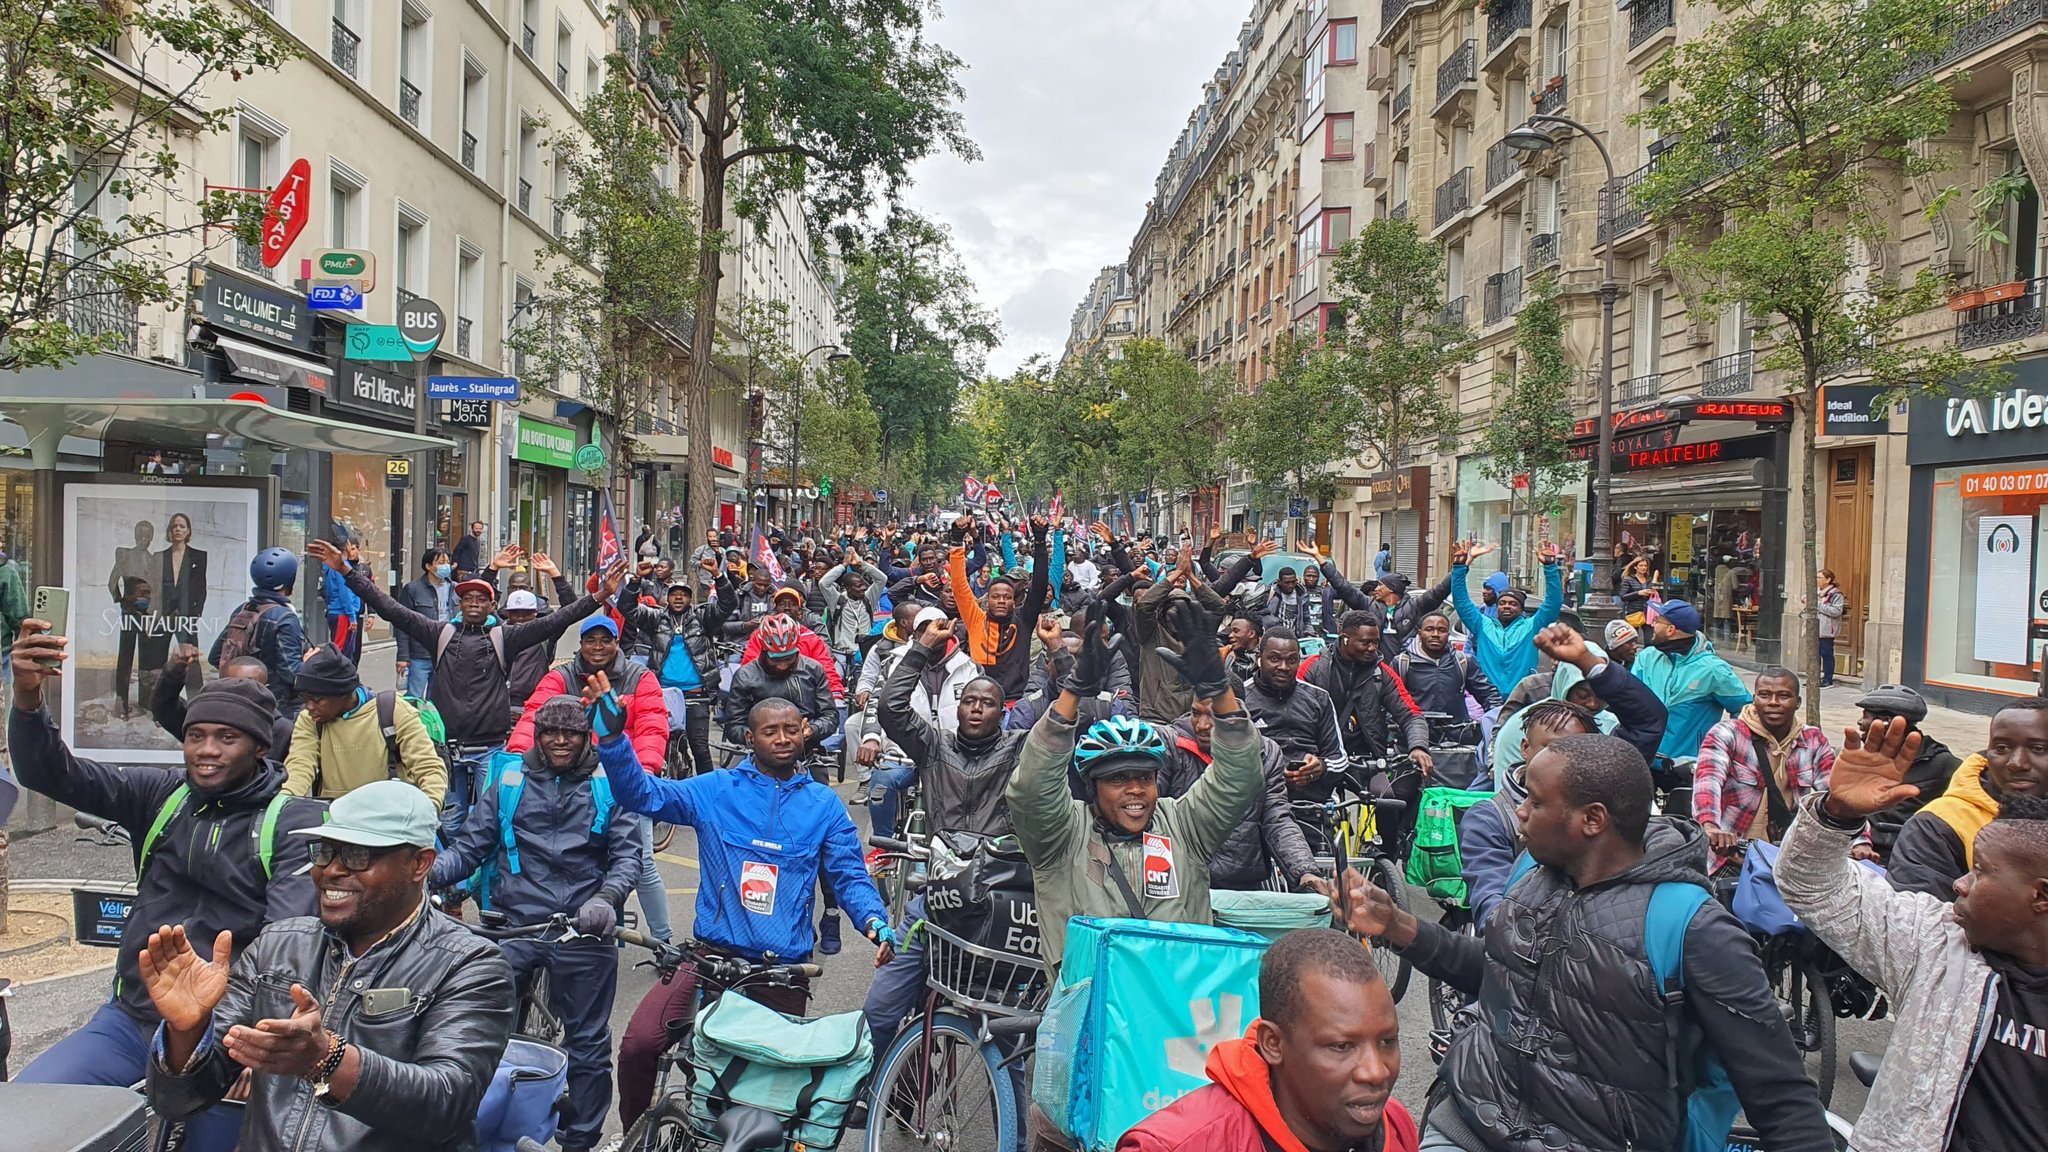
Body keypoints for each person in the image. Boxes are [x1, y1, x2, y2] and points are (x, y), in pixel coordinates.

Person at [1340, 733, 1834, 1150]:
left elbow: (1779, 1094)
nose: (1520, 814)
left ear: (1592, 820)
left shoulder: (1695, 928)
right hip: (1467, 1122)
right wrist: (1399, 926)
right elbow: (1498, 972)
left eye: (1535, 801)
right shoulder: (1531, 871)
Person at [10, 620, 322, 1145]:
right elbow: (51, 772)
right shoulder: (159, 795)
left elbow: (287, 941)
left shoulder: (289, 822)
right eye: (197, 735)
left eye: (227, 738)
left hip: (225, 1035)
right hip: (130, 1020)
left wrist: (255, 1045)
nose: (207, 750)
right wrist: (25, 698)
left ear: (261, 748)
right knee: (26, 1115)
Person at [142, 781, 516, 1152]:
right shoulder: (278, 945)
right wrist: (187, 1032)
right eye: (325, 852)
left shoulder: (470, 965)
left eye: (357, 855)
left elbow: (446, 1103)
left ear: (419, 864)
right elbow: (179, 1103)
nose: (330, 871)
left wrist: (328, 1060)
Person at [605, 691, 894, 1132]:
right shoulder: (716, 789)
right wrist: (612, 740)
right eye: (770, 731)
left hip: (782, 973)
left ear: (805, 733)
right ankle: (634, 1138)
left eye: (791, 729)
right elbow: (642, 793)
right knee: (639, 1044)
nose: (782, 738)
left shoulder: (825, 805)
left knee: (762, 1106)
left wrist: (874, 921)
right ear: (748, 738)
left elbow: (850, 877)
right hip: (707, 959)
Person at [1775, 717, 2048, 1152]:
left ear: (2041, 896)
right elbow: (1814, 887)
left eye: (1979, 872)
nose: (1960, 883)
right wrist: (1836, 815)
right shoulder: (1938, 944)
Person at [1006, 601, 1266, 976]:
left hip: (1180, 1017)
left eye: (1145, 778)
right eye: (1117, 779)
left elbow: (1240, 777)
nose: (1135, 791)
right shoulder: (1061, 836)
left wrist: (1220, 694)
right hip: (1093, 1020)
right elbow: (1032, 788)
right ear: (1092, 787)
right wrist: (1072, 694)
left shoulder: (1183, 826)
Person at [431, 697, 639, 1152]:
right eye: (550, 732)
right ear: (537, 735)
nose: (560, 741)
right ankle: (475, 1122)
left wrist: (606, 899)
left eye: (571, 733)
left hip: (583, 927)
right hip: (516, 923)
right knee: (479, 1024)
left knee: (587, 1042)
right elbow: (470, 846)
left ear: (586, 736)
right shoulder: (509, 778)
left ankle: (578, 1141)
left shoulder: (609, 781)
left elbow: (627, 856)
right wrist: (424, 872)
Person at [311, 538, 614, 843]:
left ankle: (483, 884)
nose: (473, 604)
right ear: (458, 604)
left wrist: (600, 596)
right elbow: (390, 609)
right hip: (446, 747)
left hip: (490, 747)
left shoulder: (505, 637)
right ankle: (448, 884)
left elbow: (560, 619)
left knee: (490, 820)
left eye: (481, 599)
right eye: (467, 599)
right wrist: (348, 572)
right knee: (447, 820)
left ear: (492, 606)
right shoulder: (438, 633)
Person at [862, 619, 1030, 1054]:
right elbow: (892, 711)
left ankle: (1007, 1120)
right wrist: (920, 648)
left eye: (987, 703)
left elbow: (1063, 727)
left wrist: (1063, 657)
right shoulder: (934, 745)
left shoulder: (1018, 749)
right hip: (934, 901)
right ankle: (895, 1089)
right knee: (880, 1011)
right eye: (968, 701)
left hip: (996, 908)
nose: (976, 708)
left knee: (1006, 1039)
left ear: (1001, 712)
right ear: (958, 709)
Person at [1119, 928, 1418, 1152]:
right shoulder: (1179, 1145)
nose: (1376, 1071)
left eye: (1387, 1042)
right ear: (1273, 1044)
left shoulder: (1395, 1124)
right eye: (1341, 1046)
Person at [1459, 625, 1668, 929]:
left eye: (1577, 750)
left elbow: (1649, 720)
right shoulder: (1494, 820)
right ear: (1525, 750)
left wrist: (1586, 660)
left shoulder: (1604, 781)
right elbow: (1494, 916)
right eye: (1551, 750)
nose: (1563, 761)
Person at [507, 615, 672, 943]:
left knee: (641, 862)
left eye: (605, 640)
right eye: (590, 640)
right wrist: (514, 758)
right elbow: (534, 715)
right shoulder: (561, 676)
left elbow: (652, 727)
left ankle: (663, 941)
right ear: (580, 644)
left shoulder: (641, 678)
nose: (598, 647)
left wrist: (642, 773)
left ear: (616, 643)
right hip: (570, 779)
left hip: (621, 781)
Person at [1889, 696, 2048, 901]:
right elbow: (1920, 919)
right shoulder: (1939, 824)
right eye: (2001, 748)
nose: (2017, 763)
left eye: (2038, 749)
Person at [1164, 696, 1325, 893]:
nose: (1202, 725)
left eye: (1214, 716)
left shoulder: (1267, 752)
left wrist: (1305, 872)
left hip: (1242, 887)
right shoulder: (1169, 745)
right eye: (1196, 714)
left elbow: (1277, 819)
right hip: (1182, 884)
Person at [1693, 666, 1841, 869]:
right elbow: (1708, 781)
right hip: (1731, 857)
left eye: (1783, 696)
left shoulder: (1813, 740)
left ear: (1797, 703)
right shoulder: (1728, 734)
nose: (1773, 703)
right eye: (1764, 695)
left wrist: (1860, 841)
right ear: (1754, 699)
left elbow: (1834, 795)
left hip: (1787, 860)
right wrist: (1710, 826)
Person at [1303, 615, 1432, 830]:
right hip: (1320, 759)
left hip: (1365, 762)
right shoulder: (1313, 669)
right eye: (1365, 642)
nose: (1372, 648)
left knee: (1387, 803)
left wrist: (1418, 747)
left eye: (1376, 642)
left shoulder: (1382, 674)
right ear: (1345, 639)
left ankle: (1383, 861)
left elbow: (1411, 715)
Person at [284, 646, 447, 804]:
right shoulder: (310, 720)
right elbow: (299, 765)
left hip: (389, 817)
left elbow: (427, 766)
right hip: (333, 819)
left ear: (342, 694)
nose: (309, 707)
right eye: (304, 700)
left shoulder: (393, 711)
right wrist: (283, 801)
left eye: (317, 700)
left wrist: (430, 807)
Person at [626, 565, 730, 778]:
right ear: (667, 598)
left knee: (700, 750)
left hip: (696, 694)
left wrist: (719, 577)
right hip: (662, 693)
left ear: (690, 600)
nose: (679, 598)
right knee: (658, 748)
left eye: (684, 595)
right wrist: (636, 580)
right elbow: (628, 609)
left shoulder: (703, 617)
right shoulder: (656, 618)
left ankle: (707, 794)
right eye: (674, 595)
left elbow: (727, 605)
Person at [1630, 599, 1753, 762]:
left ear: (1671, 630)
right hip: (1642, 760)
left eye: (1657, 621)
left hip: (1688, 767)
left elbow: (1745, 711)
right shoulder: (1647, 658)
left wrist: (1725, 747)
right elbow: (1629, 702)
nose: (1652, 625)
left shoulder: (1713, 669)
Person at [1852, 683, 1963, 859]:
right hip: (1863, 852)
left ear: (1887, 723)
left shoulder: (1943, 764)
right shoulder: (1863, 759)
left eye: (1866, 716)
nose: (1860, 722)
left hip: (1909, 857)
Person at [1242, 628, 1352, 799]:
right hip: (1257, 803)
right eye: (1274, 659)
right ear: (1259, 659)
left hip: (1311, 804)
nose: (1284, 667)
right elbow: (1227, 762)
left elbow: (1338, 758)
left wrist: (1320, 767)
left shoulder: (1318, 698)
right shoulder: (1241, 699)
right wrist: (1273, 772)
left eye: (1292, 660)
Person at [950, 519, 1052, 701]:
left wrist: (1040, 541)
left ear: (1014, 601)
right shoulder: (975, 620)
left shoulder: (1024, 620)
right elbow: (959, 586)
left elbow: (1040, 586)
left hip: (1016, 701)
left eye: (1007, 597)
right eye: (996, 597)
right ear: (987, 600)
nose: (1001, 601)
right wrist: (957, 543)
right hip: (980, 699)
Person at [1447, 539, 1563, 700]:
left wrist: (1550, 568)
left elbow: (1553, 603)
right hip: (1485, 700)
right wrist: (1459, 568)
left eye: (1513, 604)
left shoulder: (1532, 626)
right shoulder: (1482, 625)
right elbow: (1461, 602)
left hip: (1521, 699)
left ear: (1521, 609)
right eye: (1502, 603)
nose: (1507, 606)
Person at [503, 554, 578, 722]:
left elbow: (572, 609)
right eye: (515, 613)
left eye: (526, 613)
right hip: (501, 704)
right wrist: (493, 569)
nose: (520, 618)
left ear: (535, 612)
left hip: (535, 702)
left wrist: (555, 575)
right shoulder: (497, 628)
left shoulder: (545, 630)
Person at [1393, 611, 1502, 722]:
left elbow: (1488, 694)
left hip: (1456, 734)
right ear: (1420, 634)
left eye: (1442, 630)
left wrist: (1496, 718)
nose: (1435, 634)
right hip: (1414, 734)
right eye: (1429, 629)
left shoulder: (1463, 661)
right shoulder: (1402, 663)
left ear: (1448, 635)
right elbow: (1390, 700)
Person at [110, 518, 157, 717]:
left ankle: (146, 702)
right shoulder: (125, 555)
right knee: (125, 658)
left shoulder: (153, 559)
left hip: (148, 615)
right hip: (130, 613)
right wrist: (123, 600)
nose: (143, 539)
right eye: (141, 535)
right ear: (135, 536)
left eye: (147, 536)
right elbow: (113, 582)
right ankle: (121, 703)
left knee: (147, 659)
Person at [394, 548, 456, 698]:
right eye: (441, 563)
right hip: (419, 654)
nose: (446, 566)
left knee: (437, 699)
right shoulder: (413, 589)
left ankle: (431, 723)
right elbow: (402, 624)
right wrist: (403, 656)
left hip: (445, 654)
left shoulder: (455, 588)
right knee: (414, 698)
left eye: (447, 562)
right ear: (428, 566)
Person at [158, 511, 209, 682]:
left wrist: (196, 613)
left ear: (188, 531)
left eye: (182, 526)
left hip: (187, 614)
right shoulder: (160, 557)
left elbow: (201, 587)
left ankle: (196, 699)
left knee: (191, 657)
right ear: (169, 531)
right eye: (174, 526)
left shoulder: (199, 556)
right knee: (158, 657)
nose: (177, 529)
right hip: (163, 614)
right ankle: (157, 699)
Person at [319, 538, 364, 664]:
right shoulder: (342, 566)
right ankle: (338, 680)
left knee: (343, 650)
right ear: (346, 546)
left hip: (337, 611)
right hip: (343, 614)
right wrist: (352, 616)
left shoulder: (332, 566)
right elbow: (346, 593)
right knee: (342, 652)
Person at [1815, 568, 1847, 687]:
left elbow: (1836, 611)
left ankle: (1828, 679)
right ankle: (1814, 678)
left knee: (1826, 653)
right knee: (1814, 654)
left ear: (1828, 580)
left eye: (1819, 578)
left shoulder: (1836, 594)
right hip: (1815, 628)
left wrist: (1817, 605)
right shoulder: (1816, 592)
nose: (1817, 580)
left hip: (1827, 629)